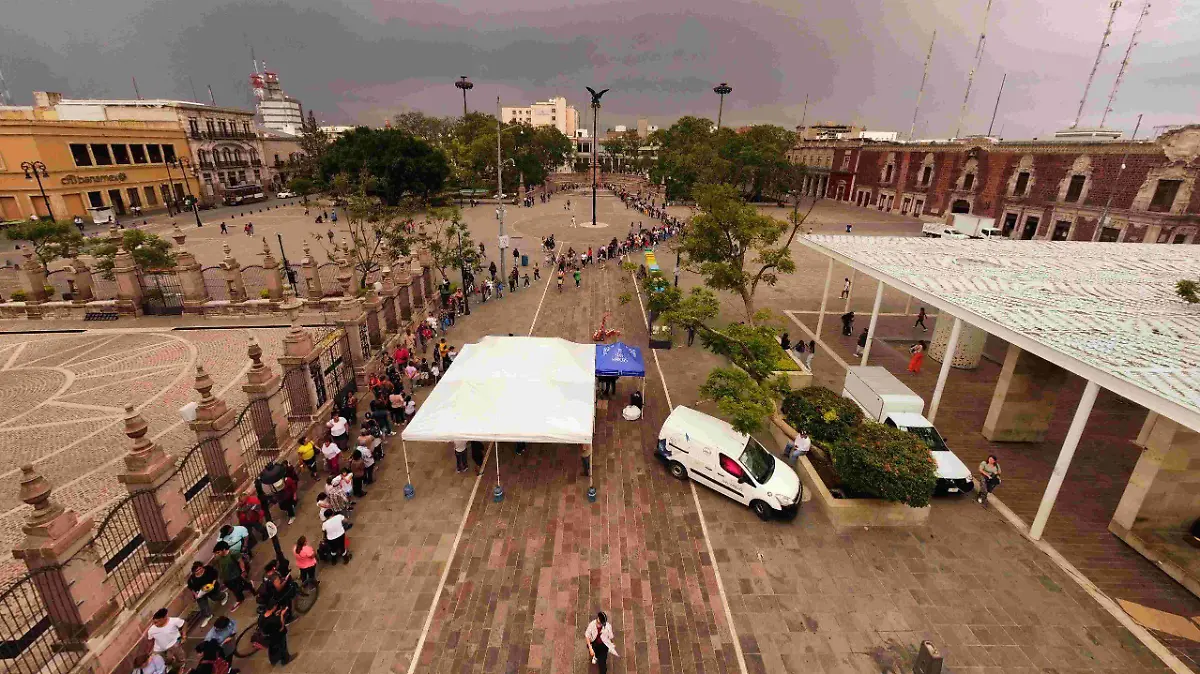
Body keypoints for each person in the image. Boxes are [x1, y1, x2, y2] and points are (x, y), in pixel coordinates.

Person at [212, 541, 252, 609]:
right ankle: (248, 587)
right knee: (235, 588)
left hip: (235, 575)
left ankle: (240, 598)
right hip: (227, 578)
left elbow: (240, 561)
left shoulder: (233, 553)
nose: (217, 555)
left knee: (237, 588)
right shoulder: (219, 557)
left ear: (224, 550)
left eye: (218, 552)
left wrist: (243, 571)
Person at [186, 561, 226, 628]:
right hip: (200, 592)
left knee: (215, 597)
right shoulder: (192, 579)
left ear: (202, 567)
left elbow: (215, 576)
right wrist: (195, 594)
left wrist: (212, 584)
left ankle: (224, 596)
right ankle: (208, 615)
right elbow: (191, 588)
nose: (198, 571)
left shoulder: (208, 569)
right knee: (202, 604)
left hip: (211, 588)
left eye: (199, 569)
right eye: (196, 571)